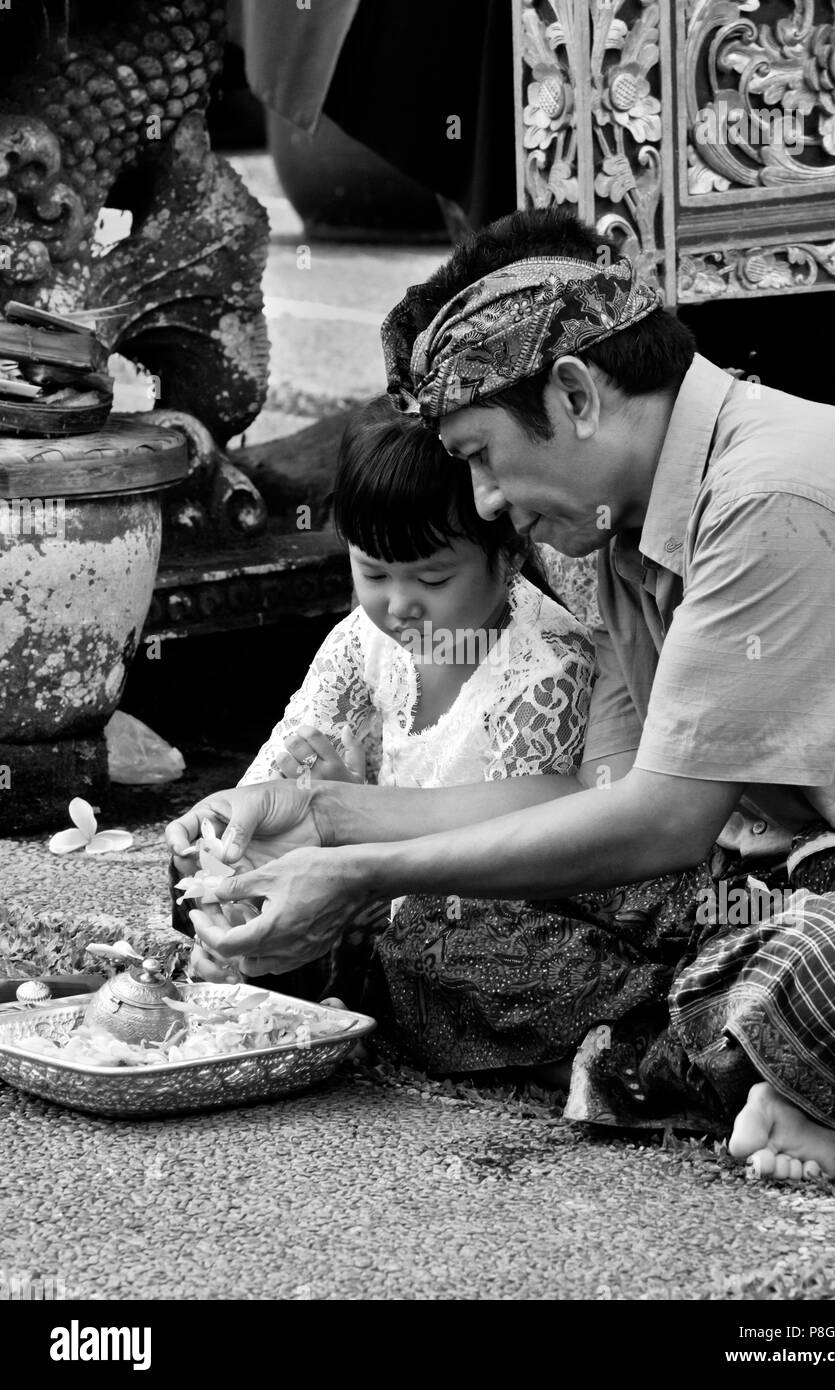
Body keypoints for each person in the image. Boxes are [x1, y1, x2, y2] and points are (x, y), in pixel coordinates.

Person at [168, 208, 835, 1180]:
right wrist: (324, 827)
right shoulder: (613, 530)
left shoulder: (774, 496)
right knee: (430, 934)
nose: (480, 501)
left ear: (574, 394)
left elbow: (662, 825)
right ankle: (723, 1042)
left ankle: (751, 1039)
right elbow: (607, 804)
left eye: (479, 454)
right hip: (753, 887)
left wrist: (359, 870)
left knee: (818, 973)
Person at [185, 394, 596, 1025]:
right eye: (372, 573)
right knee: (203, 870)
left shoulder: (543, 668)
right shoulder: (363, 640)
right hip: (361, 901)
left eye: (432, 580)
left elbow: (529, 854)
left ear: (510, 553)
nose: (399, 605)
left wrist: (356, 828)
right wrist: (229, 870)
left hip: (467, 907)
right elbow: (270, 781)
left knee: (465, 949)